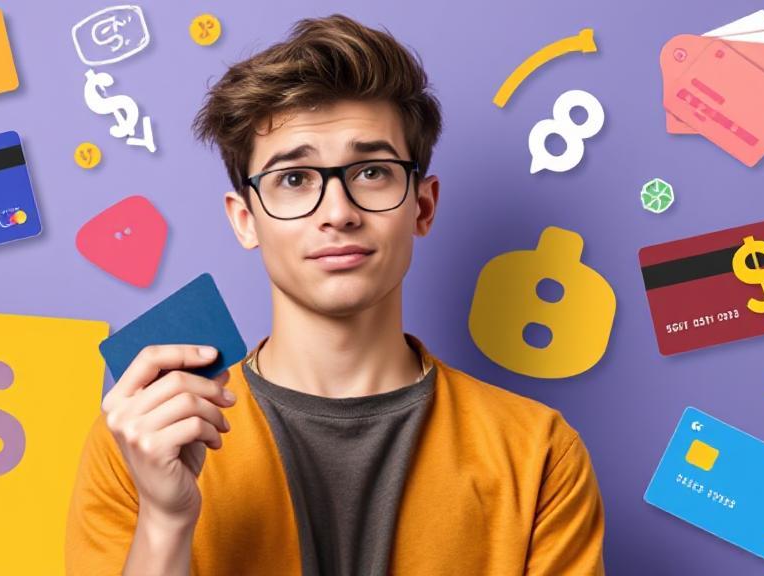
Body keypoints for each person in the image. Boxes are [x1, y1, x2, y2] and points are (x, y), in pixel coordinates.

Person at [65, 13, 605, 576]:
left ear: (422, 206)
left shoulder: (539, 452)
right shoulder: (144, 436)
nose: (338, 213)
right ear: (246, 220)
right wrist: (164, 520)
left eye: (372, 172)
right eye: (294, 179)